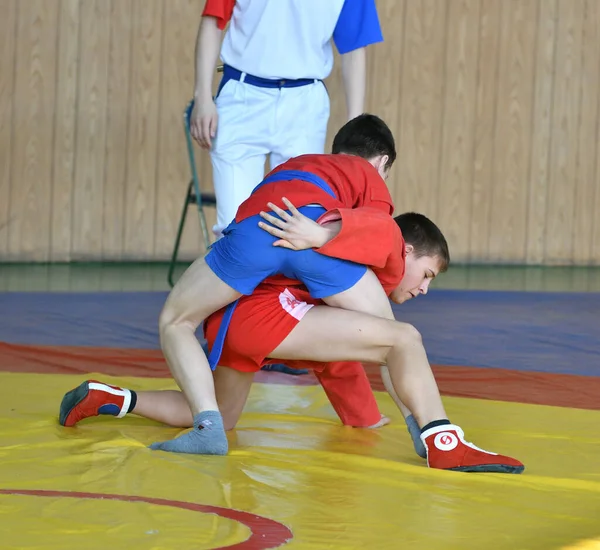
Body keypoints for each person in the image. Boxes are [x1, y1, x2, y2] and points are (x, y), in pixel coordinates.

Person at [59, 212, 525, 473]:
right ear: (404, 251)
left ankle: (116, 398)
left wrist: (361, 415)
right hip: (265, 313)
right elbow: (357, 352)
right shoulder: (370, 252)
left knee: (218, 415)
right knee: (404, 337)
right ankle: (443, 440)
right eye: (426, 274)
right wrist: (368, 416)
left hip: (235, 316)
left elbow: (335, 359)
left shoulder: (360, 266)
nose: (423, 289)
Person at [152, 114, 408, 456]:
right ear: (382, 162)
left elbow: (247, 216)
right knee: (394, 339)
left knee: (176, 320)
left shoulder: (298, 163)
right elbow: (379, 227)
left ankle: (207, 425)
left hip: (261, 229)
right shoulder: (366, 173)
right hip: (316, 237)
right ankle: (423, 424)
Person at [192, 0, 384, 236]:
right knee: (233, 227)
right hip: (241, 95)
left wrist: (355, 124)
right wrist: (202, 96)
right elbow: (213, 20)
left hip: (305, 104)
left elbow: (354, 47)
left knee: (297, 225)